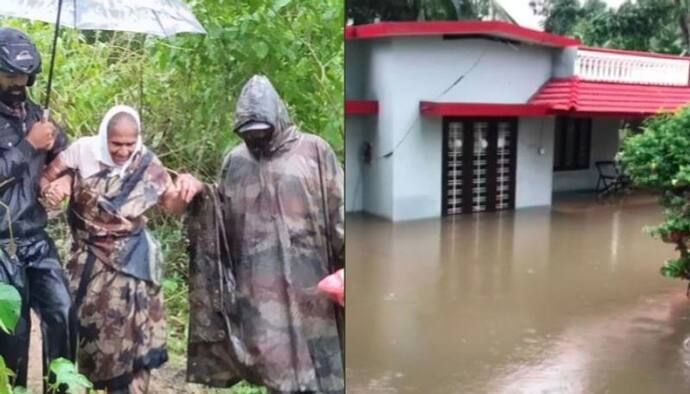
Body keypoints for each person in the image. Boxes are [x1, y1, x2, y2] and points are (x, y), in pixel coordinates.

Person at [184, 75, 344, 394]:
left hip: (313, 290)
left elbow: (341, 212)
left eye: (262, 131)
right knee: (277, 375)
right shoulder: (236, 161)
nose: (256, 139)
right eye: (248, 134)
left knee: (325, 374)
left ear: (278, 119)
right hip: (260, 297)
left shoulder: (313, 152)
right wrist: (199, 196)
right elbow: (220, 224)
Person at [40, 105, 198, 393]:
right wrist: (61, 185)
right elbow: (45, 178)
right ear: (104, 138)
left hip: (135, 263)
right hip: (88, 262)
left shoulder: (147, 163)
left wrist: (189, 188)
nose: (124, 151)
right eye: (116, 144)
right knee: (87, 336)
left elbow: (173, 205)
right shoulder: (82, 151)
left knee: (135, 340)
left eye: (130, 144)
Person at [0, 27, 73, 391]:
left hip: (35, 234)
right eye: (10, 74)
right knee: (14, 336)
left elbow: (68, 157)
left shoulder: (36, 115)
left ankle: (60, 388)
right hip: (2, 242)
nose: (18, 82)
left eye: (23, 75)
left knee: (63, 313)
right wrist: (29, 146)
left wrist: (61, 180)